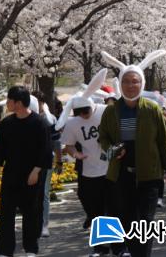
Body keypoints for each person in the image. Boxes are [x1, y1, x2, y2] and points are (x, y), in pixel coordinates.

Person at [98, 50, 166, 257]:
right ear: (120, 84)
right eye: (126, 81)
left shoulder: (152, 109)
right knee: (127, 220)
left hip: (149, 173)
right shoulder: (111, 111)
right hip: (120, 172)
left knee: (145, 222)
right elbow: (103, 138)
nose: (131, 86)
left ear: (142, 83)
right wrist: (112, 150)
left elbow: (163, 141)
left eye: (135, 81)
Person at [0, 86, 50, 257]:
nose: (7, 104)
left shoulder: (39, 123)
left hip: (31, 174)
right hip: (11, 174)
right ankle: (5, 250)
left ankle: (30, 248)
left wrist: (36, 171)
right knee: (6, 213)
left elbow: (45, 151)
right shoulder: (6, 124)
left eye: (9, 101)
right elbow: (0, 151)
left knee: (30, 213)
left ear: (19, 103)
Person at [61, 69, 110, 257]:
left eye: (86, 111)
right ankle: (102, 247)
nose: (84, 115)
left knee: (109, 209)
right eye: (79, 112)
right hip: (89, 171)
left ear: (92, 106)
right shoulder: (73, 123)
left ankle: (115, 247)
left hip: (110, 168)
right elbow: (68, 145)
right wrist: (76, 154)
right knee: (94, 209)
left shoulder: (105, 112)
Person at [30, 90, 58, 238]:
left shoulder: (49, 118)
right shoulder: (26, 118)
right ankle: (33, 222)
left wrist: (60, 160)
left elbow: (57, 141)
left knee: (44, 193)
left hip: (46, 160)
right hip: (29, 162)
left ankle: (44, 224)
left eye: (38, 102)